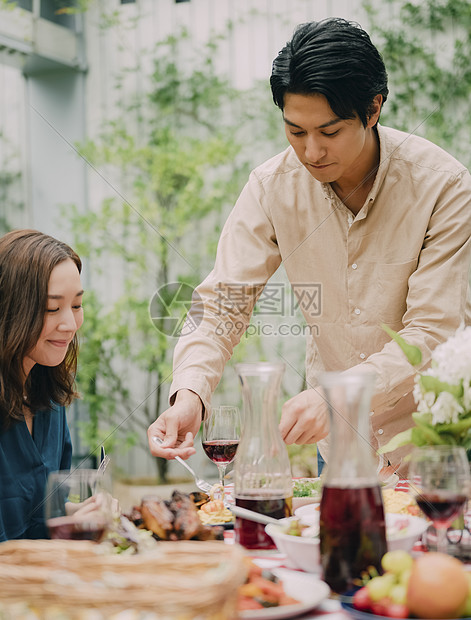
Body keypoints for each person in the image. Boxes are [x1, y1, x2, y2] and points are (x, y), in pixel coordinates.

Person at [147, 18, 471, 474]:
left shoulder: (444, 187)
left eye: (330, 131)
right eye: (296, 132)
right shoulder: (271, 186)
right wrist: (190, 394)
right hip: (337, 449)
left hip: (432, 447)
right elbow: (223, 302)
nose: (311, 152)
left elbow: (432, 333)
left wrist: (339, 395)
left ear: (374, 108)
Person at [0, 229, 84, 540]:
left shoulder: (49, 398)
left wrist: (79, 515)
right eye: (52, 308)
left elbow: (39, 515)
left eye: (76, 305)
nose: (70, 324)